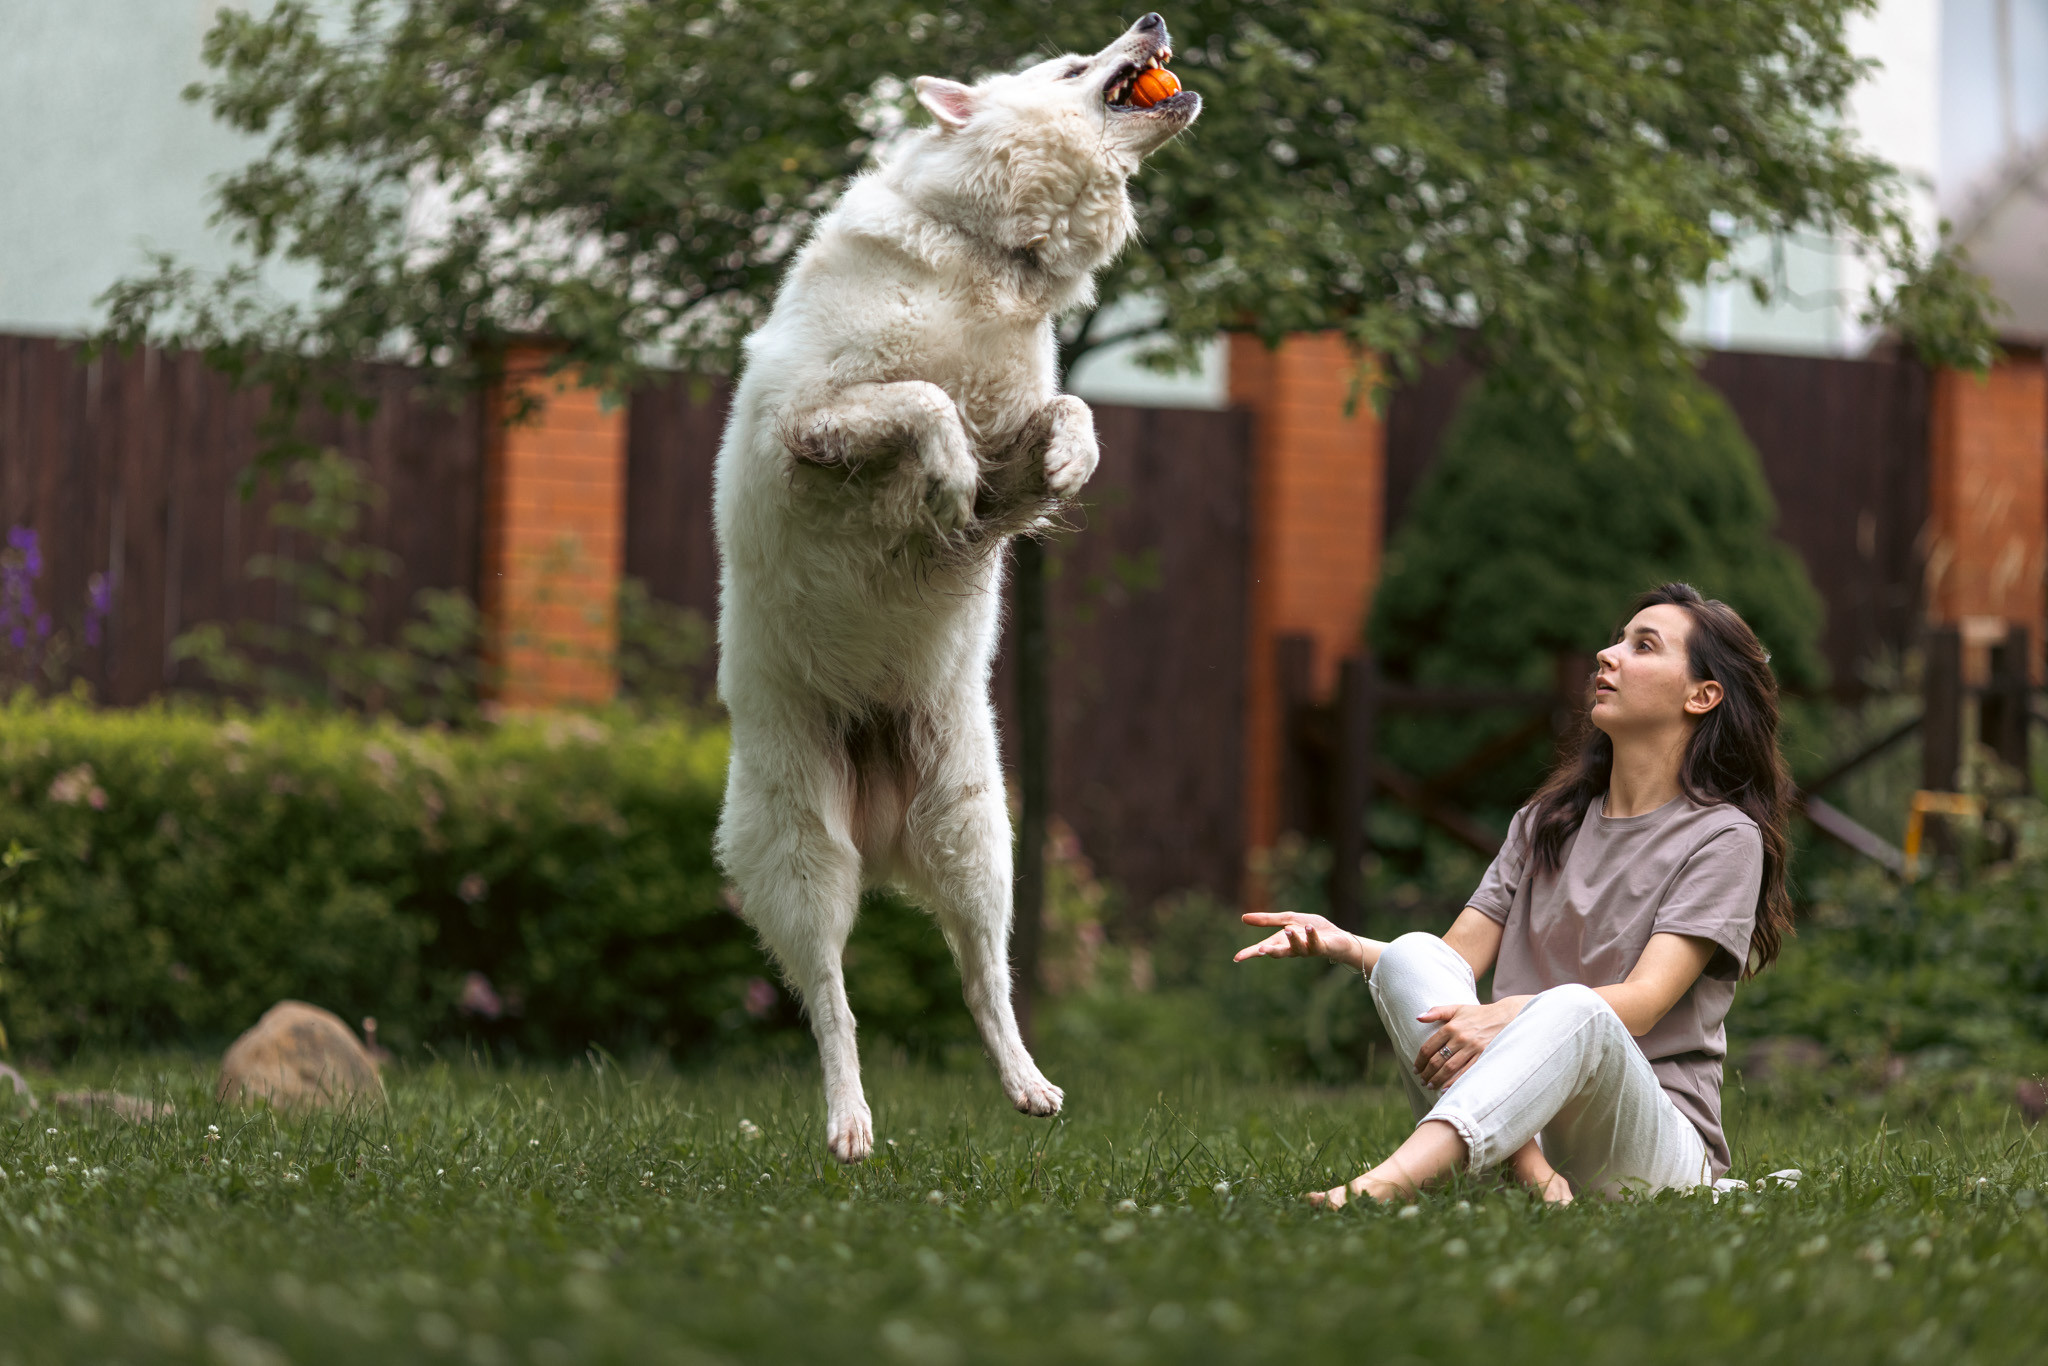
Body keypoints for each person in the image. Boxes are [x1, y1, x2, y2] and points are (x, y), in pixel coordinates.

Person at [1236, 583, 1793, 1205]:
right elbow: (1448, 968)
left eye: (1642, 646)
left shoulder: (1723, 837)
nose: (1607, 656)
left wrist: (1508, 1013)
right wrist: (1349, 947)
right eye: (1615, 641)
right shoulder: (1546, 822)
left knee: (1582, 1007)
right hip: (1525, 1125)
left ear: (1703, 695)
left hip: (1648, 1153)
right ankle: (1535, 1180)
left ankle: (1382, 1186)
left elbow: (1641, 1003)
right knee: (1415, 951)